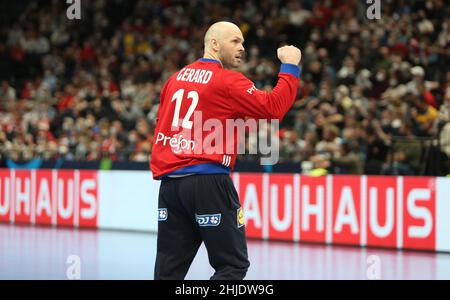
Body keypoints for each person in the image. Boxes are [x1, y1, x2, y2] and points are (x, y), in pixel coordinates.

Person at [150, 21, 302, 280]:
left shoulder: (174, 80)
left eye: (243, 42)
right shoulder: (228, 81)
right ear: (214, 44)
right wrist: (290, 66)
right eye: (235, 41)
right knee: (233, 266)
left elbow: (163, 124)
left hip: (171, 187)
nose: (242, 47)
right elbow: (274, 108)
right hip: (208, 182)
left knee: (168, 272)